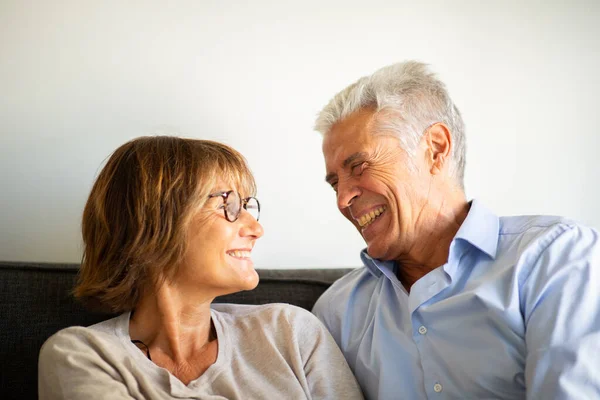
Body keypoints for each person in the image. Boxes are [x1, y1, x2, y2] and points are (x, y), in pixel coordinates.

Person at [311, 61, 600, 399]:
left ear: (435, 149)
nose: (343, 199)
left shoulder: (555, 258)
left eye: (359, 167)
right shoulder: (335, 312)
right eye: (335, 185)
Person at [38, 136, 364, 400]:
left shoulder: (290, 332)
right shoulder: (84, 356)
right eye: (229, 205)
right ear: (154, 219)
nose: (256, 229)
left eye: (249, 206)